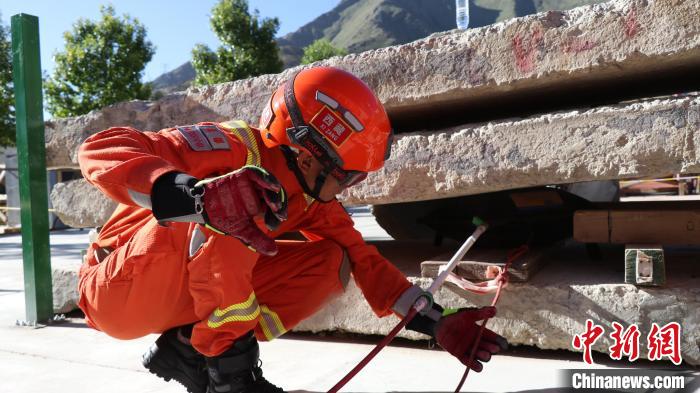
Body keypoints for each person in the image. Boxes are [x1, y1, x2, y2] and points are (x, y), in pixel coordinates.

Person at [77, 66, 507, 393]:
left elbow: (366, 263)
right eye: (350, 175)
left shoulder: (311, 200)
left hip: (175, 299)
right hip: (116, 290)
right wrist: (194, 196)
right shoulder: (228, 147)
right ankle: (232, 375)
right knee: (244, 202)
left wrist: (436, 323)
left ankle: (190, 350)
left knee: (332, 262)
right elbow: (97, 149)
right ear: (308, 157)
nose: (352, 185)